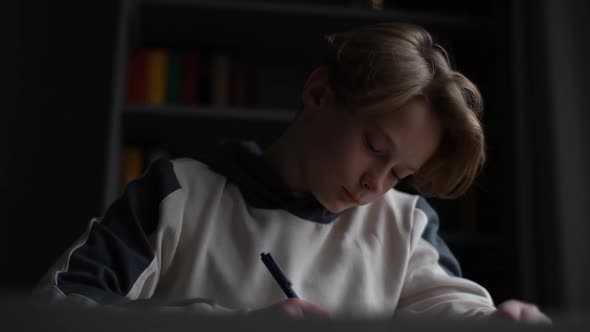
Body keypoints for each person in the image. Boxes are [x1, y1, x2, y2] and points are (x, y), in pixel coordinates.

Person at [33, 22, 549, 323]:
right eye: (374, 146)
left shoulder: (404, 225)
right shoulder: (181, 193)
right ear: (319, 94)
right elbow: (56, 308)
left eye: (400, 174)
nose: (376, 185)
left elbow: (448, 308)